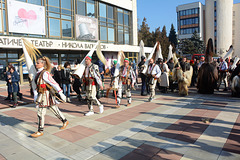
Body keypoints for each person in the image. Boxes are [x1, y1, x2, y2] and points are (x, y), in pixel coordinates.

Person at [31, 57, 69, 138]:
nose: (36, 64)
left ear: (42, 64)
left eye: (38, 63)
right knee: (54, 109)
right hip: (42, 95)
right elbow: (36, 86)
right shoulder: (37, 73)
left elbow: (54, 83)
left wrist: (61, 93)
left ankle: (40, 131)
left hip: (45, 95)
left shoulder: (45, 73)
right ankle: (65, 121)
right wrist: (35, 95)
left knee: (40, 112)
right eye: (36, 63)